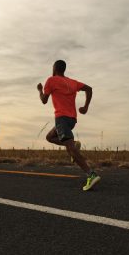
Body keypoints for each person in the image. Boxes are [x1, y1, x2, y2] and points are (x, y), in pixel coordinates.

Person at [37, 60, 101, 191]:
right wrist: (86, 107)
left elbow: (44, 100)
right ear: (64, 69)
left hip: (61, 118)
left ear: (54, 69)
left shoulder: (51, 80)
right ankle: (75, 144)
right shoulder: (72, 82)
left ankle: (91, 174)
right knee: (50, 137)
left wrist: (39, 90)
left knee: (71, 149)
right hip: (72, 120)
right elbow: (89, 89)